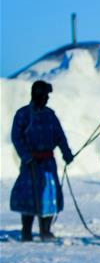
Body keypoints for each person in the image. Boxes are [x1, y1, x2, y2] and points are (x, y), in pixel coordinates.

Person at [9, 80, 74, 242]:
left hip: (48, 164)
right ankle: (27, 231)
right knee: (29, 197)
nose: (47, 99)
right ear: (38, 95)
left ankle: (45, 230)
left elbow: (59, 136)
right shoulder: (23, 114)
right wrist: (26, 156)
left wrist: (67, 153)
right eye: (45, 95)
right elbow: (16, 138)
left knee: (49, 196)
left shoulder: (50, 115)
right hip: (30, 164)